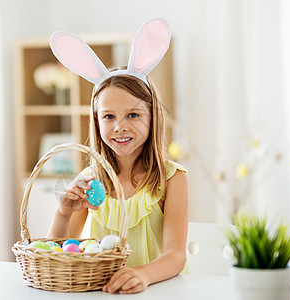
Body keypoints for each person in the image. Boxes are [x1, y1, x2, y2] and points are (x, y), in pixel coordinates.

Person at [47, 18, 190, 294]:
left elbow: (175, 256)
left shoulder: (172, 179)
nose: (120, 126)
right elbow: (56, 251)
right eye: (109, 116)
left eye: (133, 115)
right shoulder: (90, 180)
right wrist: (63, 213)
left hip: (158, 291)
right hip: (106, 292)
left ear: (152, 118)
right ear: (97, 121)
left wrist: (141, 275)